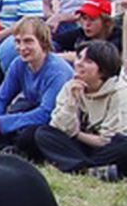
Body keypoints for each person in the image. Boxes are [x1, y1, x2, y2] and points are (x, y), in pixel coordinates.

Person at [0, 17, 72, 152]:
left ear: (43, 42)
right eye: (17, 42)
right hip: (29, 109)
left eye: (28, 41)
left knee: (30, 136)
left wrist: (1, 123)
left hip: (52, 120)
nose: (22, 47)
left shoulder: (58, 72)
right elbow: (1, 97)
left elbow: (46, 113)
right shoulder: (19, 63)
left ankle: (0, 143)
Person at [31, 41, 127, 181]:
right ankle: (88, 169)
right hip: (81, 146)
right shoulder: (70, 87)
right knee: (42, 133)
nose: (78, 64)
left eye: (87, 61)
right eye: (78, 58)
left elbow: (107, 139)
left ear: (103, 70)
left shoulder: (120, 93)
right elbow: (58, 127)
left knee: (124, 145)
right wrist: (71, 102)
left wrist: (75, 134)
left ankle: (78, 165)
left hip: (107, 148)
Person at [53, 0, 121, 60]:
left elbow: (101, 57)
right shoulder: (80, 33)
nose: (87, 24)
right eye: (84, 18)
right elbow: (54, 42)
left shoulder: (119, 37)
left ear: (106, 22)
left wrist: (73, 56)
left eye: (92, 19)